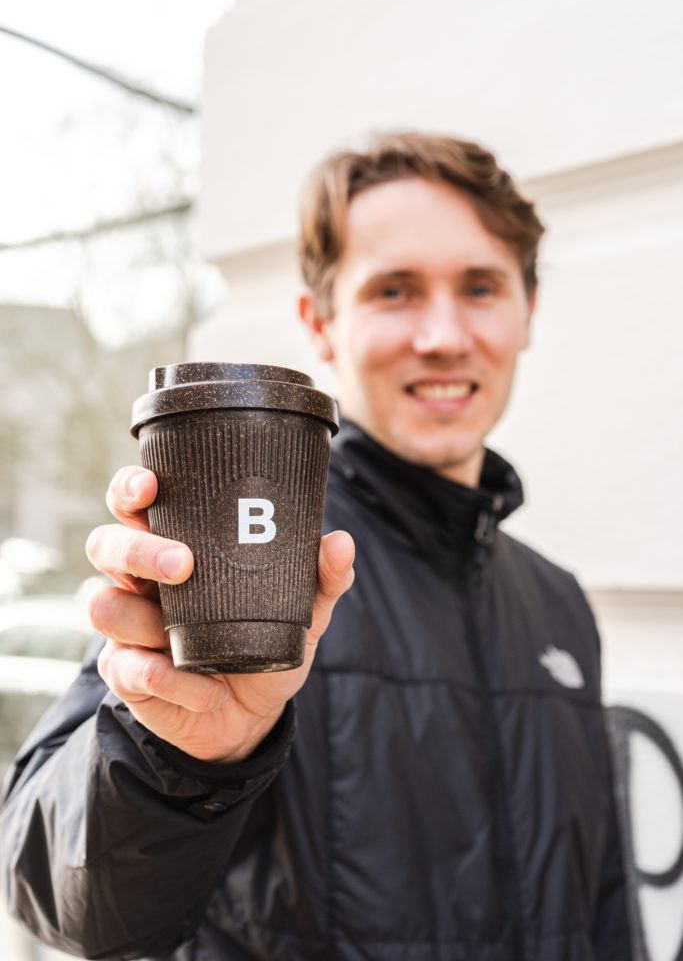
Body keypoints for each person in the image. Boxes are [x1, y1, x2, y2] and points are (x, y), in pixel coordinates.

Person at [0, 132, 632, 960]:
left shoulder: (557, 606)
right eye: (394, 291)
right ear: (320, 325)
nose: (441, 335)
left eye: (480, 287)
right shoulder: (245, 563)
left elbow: (605, 910)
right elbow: (61, 901)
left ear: (526, 312)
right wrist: (182, 756)